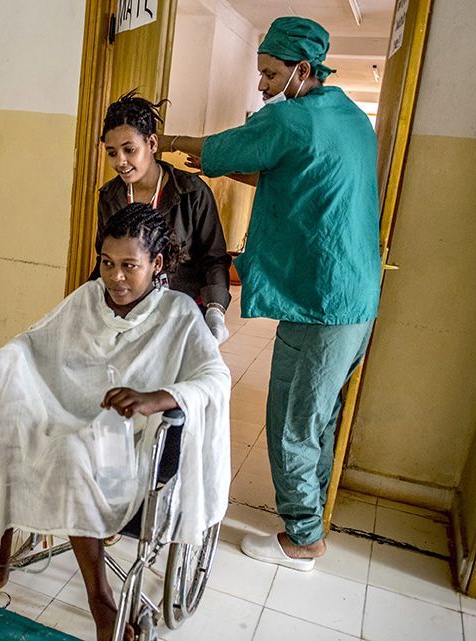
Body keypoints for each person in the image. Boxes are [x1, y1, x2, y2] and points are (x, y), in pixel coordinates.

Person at [0, 203, 231, 641]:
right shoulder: (88, 299)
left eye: (130, 266)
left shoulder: (179, 314)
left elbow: (214, 377)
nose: (116, 277)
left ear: (157, 264)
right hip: (73, 421)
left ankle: (101, 601)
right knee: (11, 421)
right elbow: (33, 344)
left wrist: (156, 397)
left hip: (129, 447)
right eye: (107, 263)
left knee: (72, 451)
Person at [158, 16, 381, 571]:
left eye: (270, 72)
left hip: (322, 304)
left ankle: (303, 539)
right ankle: (312, 518)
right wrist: (229, 171)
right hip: (354, 300)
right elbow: (292, 174)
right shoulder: (349, 117)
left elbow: (226, 145)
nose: (261, 84)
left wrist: (161, 142)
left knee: (292, 422)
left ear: (301, 70)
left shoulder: (294, 118)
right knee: (320, 416)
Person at [93, 90, 232, 343]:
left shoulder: (192, 193)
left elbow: (214, 259)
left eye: (129, 149)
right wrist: (87, 303)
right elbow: (103, 259)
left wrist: (215, 312)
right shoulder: (110, 197)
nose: (120, 161)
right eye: (112, 153)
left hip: (183, 311)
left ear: (152, 144)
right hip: (130, 313)